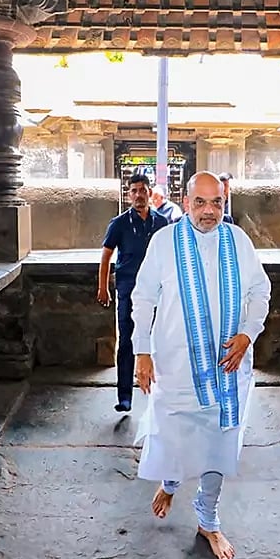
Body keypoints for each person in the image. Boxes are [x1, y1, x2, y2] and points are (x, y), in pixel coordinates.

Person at [129, 171, 271, 559]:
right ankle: (171, 482)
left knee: (218, 443)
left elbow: (261, 291)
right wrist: (142, 352)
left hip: (227, 366)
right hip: (176, 365)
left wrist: (248, 334)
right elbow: (143, 298)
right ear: (186, 201)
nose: (209, 211)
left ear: (225, 203)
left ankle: (208, 520)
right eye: (200, 202)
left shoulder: (238, 240)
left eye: (217, 202)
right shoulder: (164, 242)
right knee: (175, 435)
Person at [98, 173, 169, 413]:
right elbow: (106, 255)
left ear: (150, 193)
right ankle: (125, 395)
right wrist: (103, 287)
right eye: (134, 191)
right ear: (128, 195)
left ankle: (159, 390)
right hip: (128, 289)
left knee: (159, 339)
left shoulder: (161, 222)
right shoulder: (118, 223)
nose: (139, 195)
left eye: (143, 190)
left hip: (158, 290)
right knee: (127, 339)